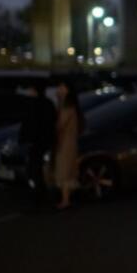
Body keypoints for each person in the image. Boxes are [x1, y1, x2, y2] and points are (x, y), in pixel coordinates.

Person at [18, 82, 57, 202]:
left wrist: (24, 138)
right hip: (45, 141)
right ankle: (42, 192)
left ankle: (38, 195)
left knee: (34, 169)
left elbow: (28, 123)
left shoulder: (33, 104)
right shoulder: (48, 103)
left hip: (35, 142)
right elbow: (52, 122)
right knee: (40, 168)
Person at [52, 80, 84, 210]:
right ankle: (66, 199)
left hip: (65, 144)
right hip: (67, 143)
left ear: (67, 90)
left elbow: (60, 125)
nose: (58, 89)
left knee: (64, 172)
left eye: (61, 87)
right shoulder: (70, 106)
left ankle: (66, 200)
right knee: (66, 171)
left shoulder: (67, 107)